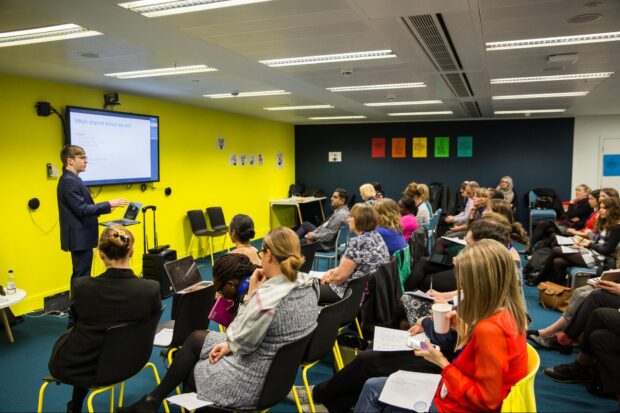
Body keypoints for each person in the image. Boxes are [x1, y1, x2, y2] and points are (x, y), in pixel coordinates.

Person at [119, 227, 319, 412]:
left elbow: (238, 337)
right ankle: (151, 402)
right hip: (278, 376)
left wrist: (250, 296)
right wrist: (229, 345)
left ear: (268, 255)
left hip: (250, 381)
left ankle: (154, 401)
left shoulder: (266, 299)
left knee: (191, 368)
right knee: (197, 338)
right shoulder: (309, 285)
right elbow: (242, 339)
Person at [354, 239, 528, 413]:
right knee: (373, 386)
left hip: (457, 405)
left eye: (463, 283)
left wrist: (442, 363)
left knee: (378, 392)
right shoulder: (507, 315)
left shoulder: (490, 329)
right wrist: (463, 330)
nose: (461, 289)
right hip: (455, 393)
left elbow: (486, 401)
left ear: (481, 285)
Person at [48, 226, 161, 413]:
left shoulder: (82, 287)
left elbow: (76, 323)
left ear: (100, 254)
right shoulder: (151, 288)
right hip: (132, 360)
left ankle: (74, 406)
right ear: (131, 252)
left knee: (82, 338)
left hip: (83, 366)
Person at [57, 145, 128, 290]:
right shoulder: (68, 181)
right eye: (82, 158)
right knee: (81, 275)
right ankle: (78, 309)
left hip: (83, 236)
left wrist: (107, 208)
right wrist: (108, 204)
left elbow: (83, 208)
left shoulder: (73, 179)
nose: (86, 161)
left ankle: (79, 307)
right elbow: (82, 209)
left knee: (82, 274)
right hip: (80, 237)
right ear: (70, 161)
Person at [535, 197, 620, 285]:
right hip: (592, 253)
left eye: (604, 208)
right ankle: (557, 291)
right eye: (600, 208)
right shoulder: (606, 223)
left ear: (612, 210)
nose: (600, 210)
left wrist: (589, 243)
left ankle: (540, 278)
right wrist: (585, 245)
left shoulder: (616, 228)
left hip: (599, 261)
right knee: (557, 262)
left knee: (556, 249)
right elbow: (598, 243)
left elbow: (606, 250)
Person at [319, 203, 389, 304]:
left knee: (310, 292)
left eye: (351, 216)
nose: (348, 220)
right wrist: (332, 272)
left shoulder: (358, 242)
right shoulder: (376, 235)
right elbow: (350, 268)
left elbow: (339, 278)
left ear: (359, 219)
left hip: (354, 294)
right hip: (373, 291)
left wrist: (327, 280)